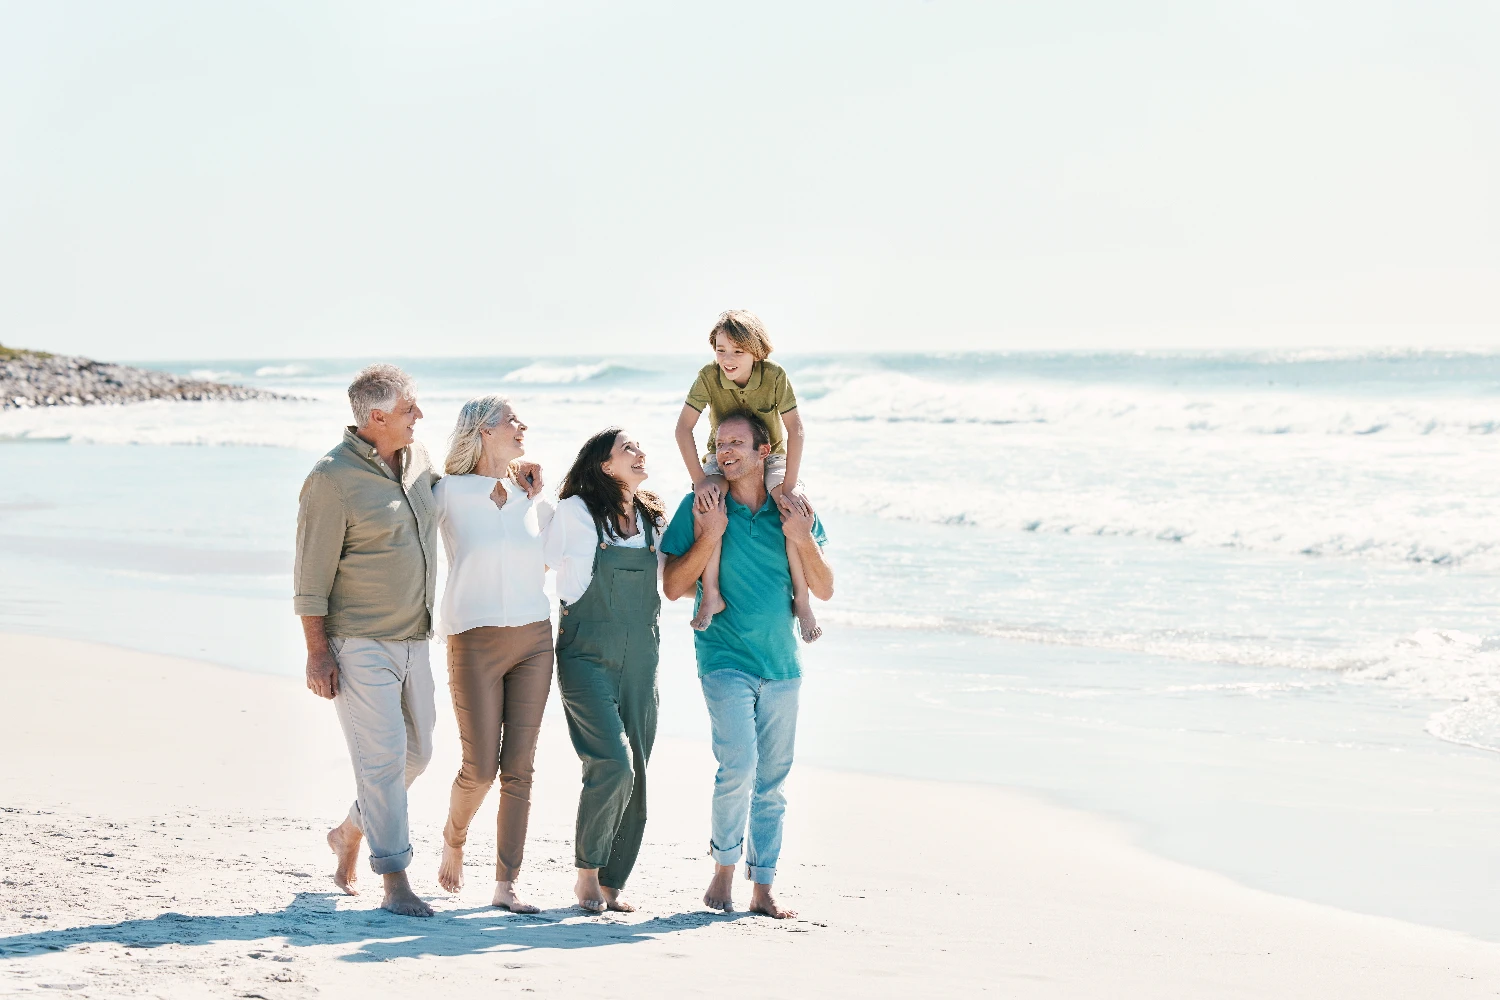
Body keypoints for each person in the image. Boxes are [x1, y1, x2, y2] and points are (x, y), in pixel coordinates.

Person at [661, 408, 834, 919]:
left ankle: (763, 885)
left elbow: (824, 588)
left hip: (782, 664)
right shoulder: (700, 503)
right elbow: (672, 587)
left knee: (773, 780)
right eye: (719, 443)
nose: (724, 451)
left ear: (765, 452)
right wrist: (711, 533)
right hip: (724, 657)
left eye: (736, 442)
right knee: (739, 766)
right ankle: (723, 867)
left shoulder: (793, 508)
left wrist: (802, 537)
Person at [293, 364, 440, 917]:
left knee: (417, 755)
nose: (419, 417)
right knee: (381, 762)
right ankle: (395, 878)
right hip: (357, 644)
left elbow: (453, 494)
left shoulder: (419, 460)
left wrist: (514, 473)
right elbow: (310, 578)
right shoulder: (330, 480)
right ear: (376, 417)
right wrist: (316, 651)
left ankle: (349, 830)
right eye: (409, 409)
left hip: (416, 639)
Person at [431, 394, 548, 913]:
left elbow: (545, 561)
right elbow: (400, 540)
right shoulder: (446, 492)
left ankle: (506, 884)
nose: (522, 426)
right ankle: (453, 839)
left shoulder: (528, 493)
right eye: (511, 420)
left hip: (534, 638)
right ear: (482, 431)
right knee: (479, 768)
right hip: (473, 638)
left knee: (519, 768)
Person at [542, 427, 666, 913]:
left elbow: (674, 577)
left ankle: (614, 884)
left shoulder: (654, 515)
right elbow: (543, 560)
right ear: (604, 466)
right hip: (585, 655)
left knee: (639, 772)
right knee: (613, 765)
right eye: (627, 449)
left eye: (639, 446)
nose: (639, 453)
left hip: (643, 657)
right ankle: (586, 875)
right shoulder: (575, 513)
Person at [673, 309, 822, 643]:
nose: (728, 358)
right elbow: (683, 429)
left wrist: (790, 486)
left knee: (788, 508)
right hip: (722, 456)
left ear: (756, 350)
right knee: (709, 503)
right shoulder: (708, 377)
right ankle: (711, 593)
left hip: (773, 457)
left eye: (737, 351)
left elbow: (795, 430)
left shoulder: (774, 376)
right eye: (721, 350)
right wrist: (699, 479)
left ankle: (803, 601)